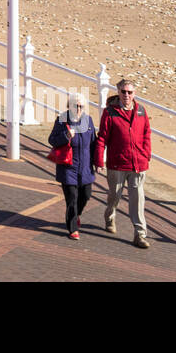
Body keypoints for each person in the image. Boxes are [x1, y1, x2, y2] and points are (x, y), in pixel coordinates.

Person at [94, 78, 153, 248]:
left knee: (138, 199)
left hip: (138, 164)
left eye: (130, 92)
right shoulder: (110, 112)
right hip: (117, 164)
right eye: (123, 92)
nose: (127, 95)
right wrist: (99, 159)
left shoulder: (141, 111)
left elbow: (146, 133)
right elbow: (102, 138)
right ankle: (110, 216)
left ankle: (140, 234)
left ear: (135, 93)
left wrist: (146, 154)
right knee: (115, 196)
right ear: (118, 92)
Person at [48, 91, 97, 240]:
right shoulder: (62, 120)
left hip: (86, 168)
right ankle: (72, 229)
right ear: (69, 106)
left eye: (82, 106)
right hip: (68, 168)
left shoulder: (88, 120)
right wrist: (66, 136)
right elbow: (52, 140)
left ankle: (76, 215)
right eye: (76, 106)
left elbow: (94, 142)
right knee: (72, 199)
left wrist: (98, 162)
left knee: (86, 195)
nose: (79, 109)